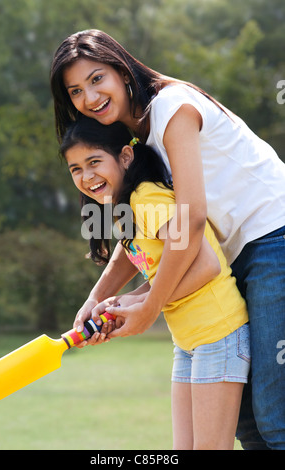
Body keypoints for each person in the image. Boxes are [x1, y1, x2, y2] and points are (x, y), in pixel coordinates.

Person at [50, 29, 285, 449]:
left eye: (96, 79)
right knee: (248, 425)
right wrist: (98, 296)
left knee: (274, 413)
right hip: (235, 252)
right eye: (75, 91)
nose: (89, 97)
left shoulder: (172, 108)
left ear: (122, 70)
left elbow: (190, 222)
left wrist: (149, 306)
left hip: (273, 236)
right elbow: (144, 232)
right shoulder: (134, 141)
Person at [60, 115, 250, 450]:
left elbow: (205, 265)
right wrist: (123, 299)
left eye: (94, 162)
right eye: (76, 168)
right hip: (189, 341)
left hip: (218, 334)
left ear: (125, 156)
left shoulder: (148, 200)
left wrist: (142, 304)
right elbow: (168, 270)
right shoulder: (128, 206)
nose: (87, 177)